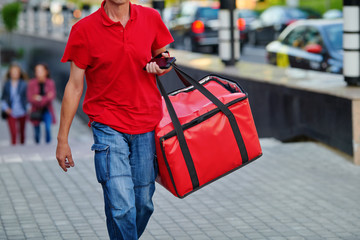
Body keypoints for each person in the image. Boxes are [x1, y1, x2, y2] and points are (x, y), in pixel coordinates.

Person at [56, 0, 174, 239]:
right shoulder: (83, 30)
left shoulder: (150, 17)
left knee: (143, 203)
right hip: (107, 125)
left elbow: (164, 55)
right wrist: (62, 139)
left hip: (146, 123)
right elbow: (74, 86)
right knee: (121, 205)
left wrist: (162, 65)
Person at [27, 63, 56, 144]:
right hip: (35, 110)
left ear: (46, 71)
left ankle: (47, 145)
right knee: (36, 133)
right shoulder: (32, 83)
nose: (39, 72)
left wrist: (39, 98)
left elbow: (52, 96)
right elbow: (30, 98)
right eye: (37, 71)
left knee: (48, 129)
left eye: (41, 70)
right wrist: (45, 98)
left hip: (47, 110)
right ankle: (37, 146)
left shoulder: (50, 83)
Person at [1, 63, 28, 145]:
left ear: (19, 73)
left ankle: (22, 148)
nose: (14, 73)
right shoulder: (7, 84)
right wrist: (5, 108)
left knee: (22, 132)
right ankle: (14, 148)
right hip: (11, 111)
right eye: (13, 71)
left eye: (16, 71)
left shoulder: (24, 84)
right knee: (13, 132)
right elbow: (3, 97)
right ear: (10, 73)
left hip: (22, 110)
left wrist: (28, 107)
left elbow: (27, 97)